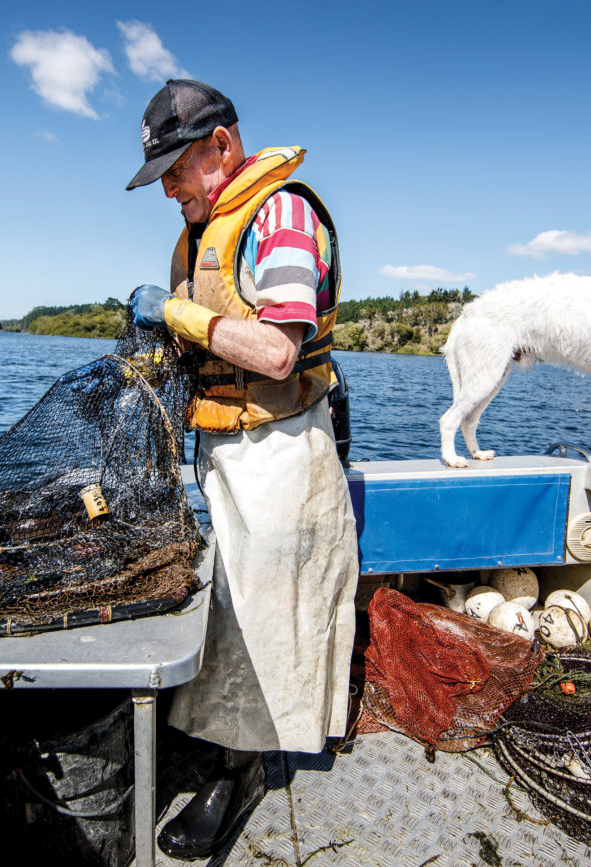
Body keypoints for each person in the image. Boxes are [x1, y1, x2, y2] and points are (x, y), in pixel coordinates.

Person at [126, 79, 359, 860]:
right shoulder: (203, 230)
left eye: (176, 167)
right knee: (225, 602)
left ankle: (243, 768)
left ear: (222, 146)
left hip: (282, 452)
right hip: (224, 452)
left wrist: (175, 313)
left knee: (262, 615)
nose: (166, 186)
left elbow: (277, 351)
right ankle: (227, 736)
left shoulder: (281, 214)